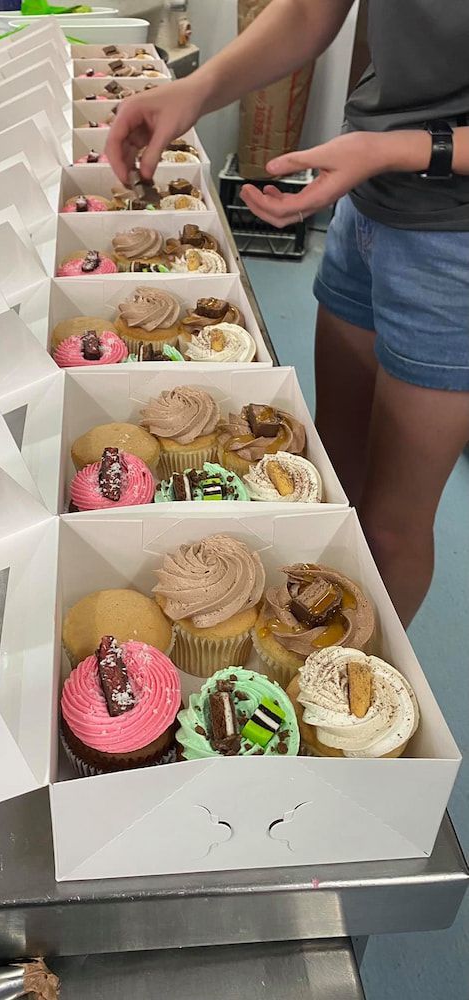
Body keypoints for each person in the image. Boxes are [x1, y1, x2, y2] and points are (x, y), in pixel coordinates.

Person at [106, 0, 469, 628]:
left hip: (453, 238)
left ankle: (344, 683)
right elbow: (307, 9)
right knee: (327, 469)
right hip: (367, 199)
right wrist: (194, 90)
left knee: (390, 525)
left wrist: (401, 148)